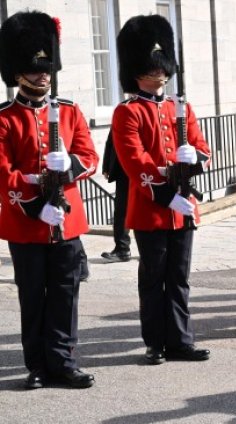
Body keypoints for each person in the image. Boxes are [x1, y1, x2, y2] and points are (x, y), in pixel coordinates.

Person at [0, 11, 98, 389]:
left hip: (66, 221)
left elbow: (89, 157)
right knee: (33, 296)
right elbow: (3, 173)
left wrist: (69, 167)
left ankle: (63, 360)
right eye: (35, 69)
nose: (43, 75)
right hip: (26, 223)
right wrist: (35, 202)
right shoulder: (6, 119)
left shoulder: (70, 111)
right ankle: (37, 364)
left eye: (46, 68)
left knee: (65, 293)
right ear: (18, 74)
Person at [112, 15, 211, 365]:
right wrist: (168, 196)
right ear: (137, 71)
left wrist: (195, 156)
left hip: (183, 206)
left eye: (161, 68)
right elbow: (135, 162)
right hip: (153, 208)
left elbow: (203, 147)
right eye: (152, 69)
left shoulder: (179, 107)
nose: (159, 74)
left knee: (179, 279)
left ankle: (181, 340)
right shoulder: (128, 112)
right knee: (153, 279)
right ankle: (155, 342)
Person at [101, 130, 131, 262]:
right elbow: (110, 140)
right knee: (120, 211)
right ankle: (122, 249)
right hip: (122, 170)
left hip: (143, 169)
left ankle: (151, 248)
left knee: (146, 210)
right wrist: (106, 165)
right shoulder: (121, 111)